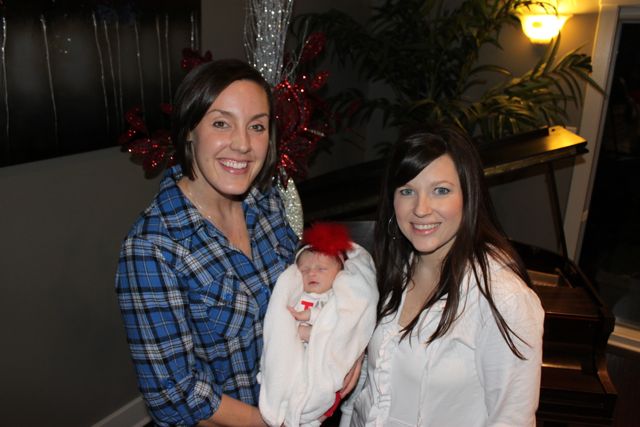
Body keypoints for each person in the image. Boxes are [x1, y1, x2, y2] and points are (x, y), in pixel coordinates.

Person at [115, 59, 300, 426]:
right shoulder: (152, 248)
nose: (243, 144)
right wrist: (274, 423)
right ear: (189, 131)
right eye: (221, 123)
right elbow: (176, 395)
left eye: (257, 126)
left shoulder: (267, 203)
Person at [341, 124, 545, 427]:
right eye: (407, 191)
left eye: (441, 190)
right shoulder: (392, 269)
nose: (421, 209)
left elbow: (512, 420)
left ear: (468, 195)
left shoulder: (503, 299)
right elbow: (367, 389)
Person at [259, 223, 377, 426]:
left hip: (322, 363)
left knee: (315, 399)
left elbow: (338, 328)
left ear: (339, 273)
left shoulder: (333, 299)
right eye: (305, 270)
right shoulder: (297, 295)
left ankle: (307, 412)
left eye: (321, 269)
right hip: (294, 360)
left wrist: (310, 328)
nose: (312, 273)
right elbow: (278, 325)